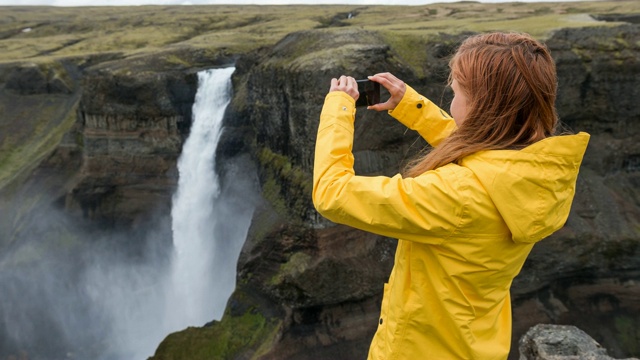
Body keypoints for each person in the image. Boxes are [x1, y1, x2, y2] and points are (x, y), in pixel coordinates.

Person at [312, 32, 590, 359]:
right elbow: (486, 154)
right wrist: (413, 107)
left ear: (483, 107)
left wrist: (338, 107)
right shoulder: (538, 172)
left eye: (455, 93)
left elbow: (331, 192)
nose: (451, 102)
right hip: (475, 345)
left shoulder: (457, 195)